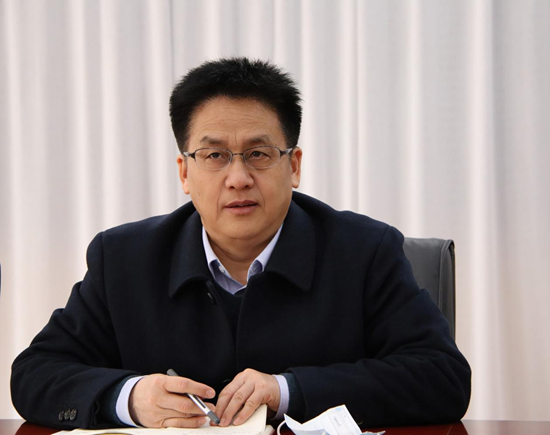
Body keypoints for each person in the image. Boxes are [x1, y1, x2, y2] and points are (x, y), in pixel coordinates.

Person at [11, 57, 471, 430]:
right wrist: (129, 398)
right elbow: (36, 373)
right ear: (184, 172)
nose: (238, 178)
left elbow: (442, 377)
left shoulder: (365, 251)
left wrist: (287, 391)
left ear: (293, 166)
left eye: (258, 154)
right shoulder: (124, 259)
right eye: (214, 155)